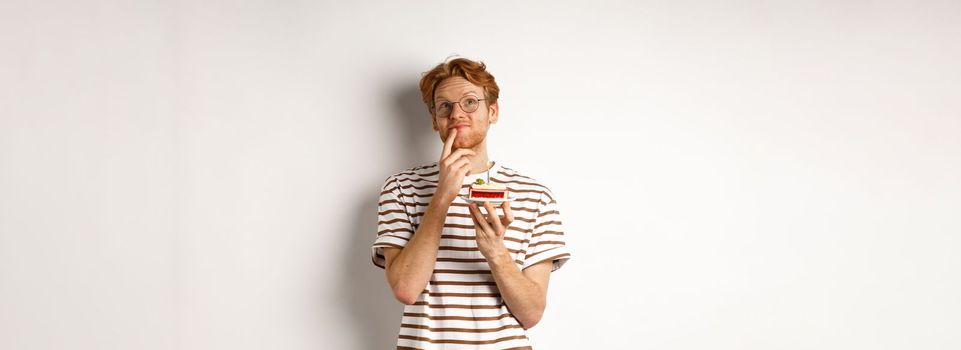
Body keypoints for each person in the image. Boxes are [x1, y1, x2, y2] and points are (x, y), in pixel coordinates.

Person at [371, 57, 571, 349]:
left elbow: (531, 313)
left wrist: (495, 252)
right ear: (434, 119)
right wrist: (442, 196)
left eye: (469, 102)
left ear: (493, 111)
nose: (456, 114)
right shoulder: (401, 188)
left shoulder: (535, 195)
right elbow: (405, 289)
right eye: (445, 106)